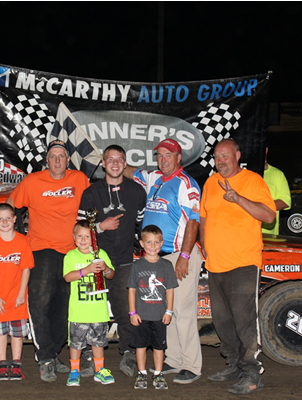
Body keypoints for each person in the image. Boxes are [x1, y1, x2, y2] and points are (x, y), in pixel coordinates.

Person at [6, 139, 89, 382]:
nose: (57, 160)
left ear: (68, 160)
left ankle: (52, 353)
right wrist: (9, 236)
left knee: (64, 309)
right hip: (40, 250)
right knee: (40, 305)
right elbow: (10, 205)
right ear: (47, 160)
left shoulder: (79, 179)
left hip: (72, 253)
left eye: (61, 156)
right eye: (52, 156)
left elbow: (92, 206)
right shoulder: (32, 181)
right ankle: (45, 359)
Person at [199, 138, 276, 395]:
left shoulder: (253, 180)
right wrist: (203, 243)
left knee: (245, 320)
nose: (221, 161)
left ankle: (252, 372)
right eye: (217, 157)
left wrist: (238, 198)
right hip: (215, 264)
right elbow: (203, 217)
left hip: (243, 263)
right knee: (222, 321)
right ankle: (233, 364)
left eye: (225, 156)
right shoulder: (210, 183)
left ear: (237, 155)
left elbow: (269, 216)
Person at [123, 138, 203, 385]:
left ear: (179, 158)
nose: (163, 159)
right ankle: (175, 359)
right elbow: (127, 170)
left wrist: (185, 257)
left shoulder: (186, 183)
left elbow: (193, 221)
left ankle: (192, 364)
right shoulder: (153, 178)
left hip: (180, 254)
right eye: (159, 155)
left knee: (183, 311)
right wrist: (109, 161)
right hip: (157, 257)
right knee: (166, 310)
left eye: (169, 155)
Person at [78, 144, 146, 377]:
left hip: (125, 260)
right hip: (94, 261)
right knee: (89, 308)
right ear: (103, 163)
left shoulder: (137, 192)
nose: (115, 163)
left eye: (120, 159)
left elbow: (141, 225)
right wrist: (101, 226)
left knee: (126, 308)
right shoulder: (91, 193)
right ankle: (87, 354)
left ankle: (128, 353)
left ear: (125, 164)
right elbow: (81, 228)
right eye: (110, 159)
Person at [0, 203, 34, 381]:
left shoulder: (22, 241)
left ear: (15, 219)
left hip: (17, 297)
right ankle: (3, 365)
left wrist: (21, 294)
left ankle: (16, 364)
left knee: (17, 333)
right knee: (0, 333)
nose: (4, 221)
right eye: (0, 218)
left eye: (8, 218)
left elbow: (25, 269)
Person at [63, 220, 116, 387]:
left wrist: (106, 268)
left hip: (98, 310)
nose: (83, 240)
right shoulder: (71, 256)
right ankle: (74, 371)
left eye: (87, 236)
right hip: (78, 311)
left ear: (93, 238)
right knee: (76, 343)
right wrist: (86, 270)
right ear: (74, 237)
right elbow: (67, 277)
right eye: (80, 236)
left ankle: (99, 370)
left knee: (98, 342)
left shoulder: (101, 253)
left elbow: (111, 275)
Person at [128, 225, 178, 391]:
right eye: (149, 242)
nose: (153, 246)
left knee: (159, 347)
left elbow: (170, 291)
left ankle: (158, 373)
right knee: (140, 346)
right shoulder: (136, 266)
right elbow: (132, 291)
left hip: (159, 316)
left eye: (156, 242)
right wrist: (133, 312)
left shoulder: (167, 265)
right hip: (141, 316)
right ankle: (141, 373)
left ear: (162, 243)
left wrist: (169, 311)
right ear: (141, 244)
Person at [262, 145, 291, 235]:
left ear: (266, 150)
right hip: (244, 235)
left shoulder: (277, 174)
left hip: (268, 235)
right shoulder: (243, 174)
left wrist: (258, 208)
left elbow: (285, 202)